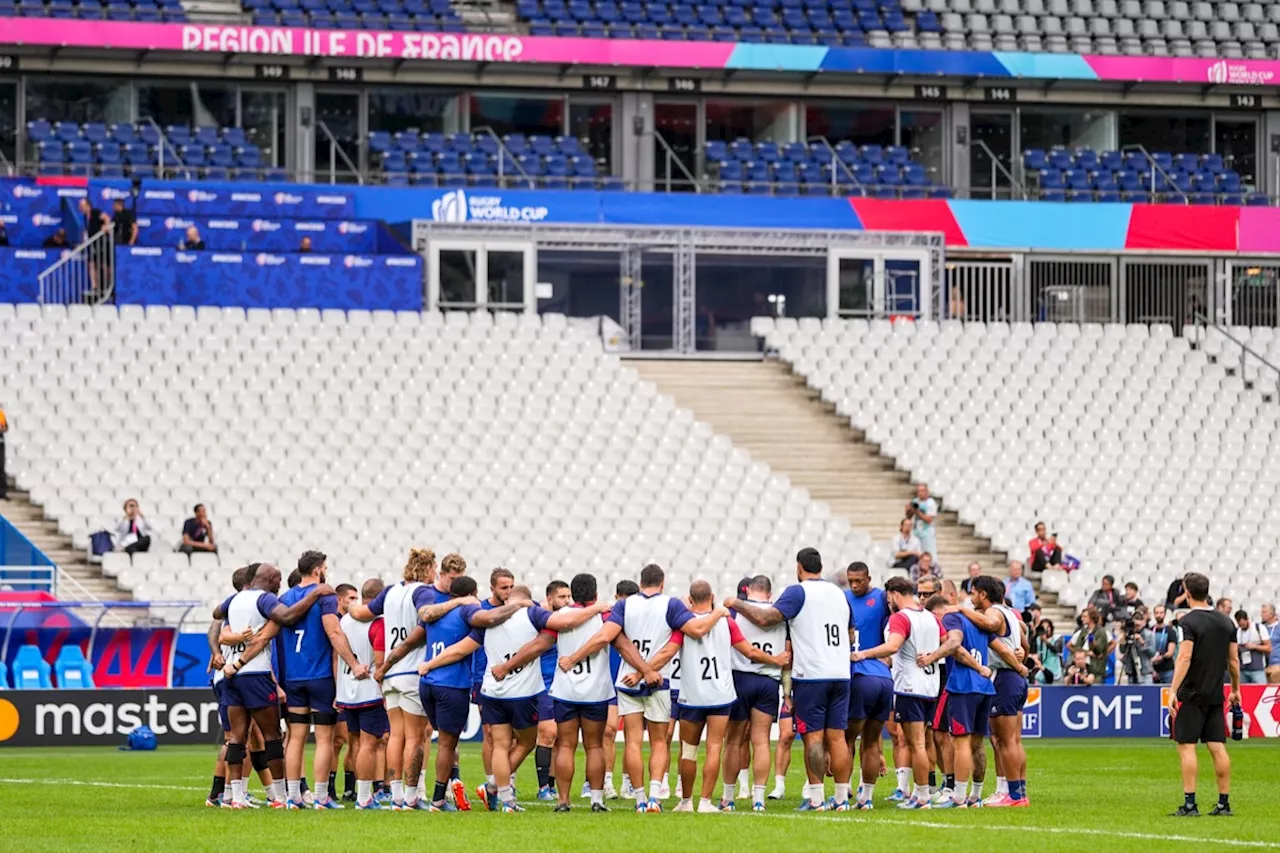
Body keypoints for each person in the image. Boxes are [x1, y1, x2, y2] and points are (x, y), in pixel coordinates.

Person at [561, 563, 723, 814]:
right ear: (663, 582)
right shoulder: (671, 605)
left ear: (641, 581)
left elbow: (607, 638)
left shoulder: (625, 605)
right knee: (659, 742)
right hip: (657, 680)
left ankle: (638, 798)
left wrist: (573, 658)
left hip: (628, 682)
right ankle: (654, 798)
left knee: (632, 742)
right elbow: (693, 633)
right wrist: (719, 612)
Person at [641, 580, 786, 814]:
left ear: (689, 600)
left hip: (691, 696)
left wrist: (643, 670)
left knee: (688, 750)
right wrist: (775, 660)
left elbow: (667, 652)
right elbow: (749, 651)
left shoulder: (683, 625)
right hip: (719, 695)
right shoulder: (726, 622)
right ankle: (706, 802)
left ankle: (686, 801)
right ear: (712, 597)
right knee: (714, 748)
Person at [728, 547, 854, 812]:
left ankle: (817, 799)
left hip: (812, 674)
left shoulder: (799, 592)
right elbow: (851, 633)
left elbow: (765, 618)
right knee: (838, 738)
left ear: (799, 567)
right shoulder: (839, 594)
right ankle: (842, 799)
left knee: (813, 738)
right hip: (841, 673)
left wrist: (735, 603)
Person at [212, 563, 332, 808]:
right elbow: (286, 617)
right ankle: (278, 796)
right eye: (278, 580)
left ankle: (235, 798)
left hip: (231, 675)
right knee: (272, 736)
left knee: (237, 737)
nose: (280, 586)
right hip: (255, 674)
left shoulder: (234, 600)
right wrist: (315, 594)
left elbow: (216, 613)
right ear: (269, 579)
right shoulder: (264, 599)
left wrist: (232, 632)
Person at [411, 573, 531, 812]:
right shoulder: (466, 612)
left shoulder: (436, 613)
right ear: (473, 594)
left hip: (428, 685)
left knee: (442, 741)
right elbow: (486, 620)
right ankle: (437, 800)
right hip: (451, 684)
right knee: (447, 744)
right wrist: (518, 604)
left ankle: (428, 792)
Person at [345, 548, 442, 811]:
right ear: (427, 568)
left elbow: (362, 614)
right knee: (415, 737)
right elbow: (426, 619)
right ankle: (411, 797)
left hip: (390, 676)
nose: (436, 573)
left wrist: (349, 605)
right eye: (434, 568)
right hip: (411, 671)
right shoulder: (424, 592)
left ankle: (396, 796)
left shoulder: (390, 591)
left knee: (396, 736)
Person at [513, 573, 617, 812]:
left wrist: (511, 663)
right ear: (595, 594)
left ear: (573, 593)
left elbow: (541, 643)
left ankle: (563, 801)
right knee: (594, 746)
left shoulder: (559, 616)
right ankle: (597, 800)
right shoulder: (604, 616)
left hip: (565, 689)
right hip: (596, 690)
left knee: (566, 746)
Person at [278, 551, 366, 810]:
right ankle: (320, 797)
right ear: (317, 570)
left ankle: (293, 796)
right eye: (325, 567)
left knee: (296, 737)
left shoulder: (285, 598)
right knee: (325, 738)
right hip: (319, 676)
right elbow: (334, 632)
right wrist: (353, 663)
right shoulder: (325, 596)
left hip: (292, 677)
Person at [850, 576, 943, 811]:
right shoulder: (930, 617)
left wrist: (863, 654)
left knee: (917, 744)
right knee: (920, 742)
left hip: (910, 687)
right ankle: (919, 794)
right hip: (931, 686)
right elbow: (949, 641)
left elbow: (892, 646)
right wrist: (933, 656)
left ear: (894, 594)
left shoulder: (901, 617)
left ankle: (922, 797)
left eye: (888, 596)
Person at [918, 575, 995, 809]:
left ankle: (958, 797)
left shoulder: (952, 618)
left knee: (960, 742)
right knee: (977, 744)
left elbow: (955, 646)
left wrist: (931, 656)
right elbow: (999, 644)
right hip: (984, 686)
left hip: (964, 685)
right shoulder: (979, 620)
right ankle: (976, 795)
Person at [1168, 572, 1239, 818]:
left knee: (1186, 746)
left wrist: (1172, 690)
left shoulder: (1187, 622)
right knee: (1217, 747)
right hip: (1216, 693)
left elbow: (1184, 657)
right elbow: (1234, 662)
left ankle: (1189, 804)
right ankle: (1224, 803)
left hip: (1192, 693)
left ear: (1187, 593)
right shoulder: (1226, 622)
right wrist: (1236, 690)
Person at [723, 574, 788, 812]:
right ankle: (758, 798)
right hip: (768, 682)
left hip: (740, 677)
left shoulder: (735, 612)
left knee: (732, 742)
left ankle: (728, 798)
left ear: (748, 590)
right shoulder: (780, 614)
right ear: (770, 593)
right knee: (761, 741)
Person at [969, 578, 1031, 807]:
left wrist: (961, 611)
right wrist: (1021, 654)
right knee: (1013, 740)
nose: (971, 598)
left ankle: (1013, 795)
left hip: (1004, 678)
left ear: (983, 594)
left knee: (1004, 741)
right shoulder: (1011, 614)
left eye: (974, 593)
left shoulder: (995, 612)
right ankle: (1019, 792)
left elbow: (991, 625)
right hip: (1015, 679)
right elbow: (1025, 645)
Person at [843, 561, 894, 808]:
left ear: (869, 578)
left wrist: (891, 654)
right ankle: (864, 797)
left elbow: (899, 626)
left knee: (846, 738)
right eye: (850, 580)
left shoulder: (883, 599)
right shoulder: (841, 598)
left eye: (859, 581)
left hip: (862, 675)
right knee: (871, 741)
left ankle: (844, 793)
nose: (854, 585)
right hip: (881, 678)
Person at [338, 577, 389, 809]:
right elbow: (380, 662)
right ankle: (364, 797)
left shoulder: (345, 620)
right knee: (371, 744)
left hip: (347, 690)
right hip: (369, 689)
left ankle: (360, 792)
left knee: (357, 743)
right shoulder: (378, 622)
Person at [471, 568, 514, 806]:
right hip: (484, 678)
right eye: (503, 587)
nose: (508, 592)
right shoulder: (481, 611)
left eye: (511, 587)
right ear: (493, 588)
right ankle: (492, 784)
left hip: (514, 678)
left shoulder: (517, 610)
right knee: (490, 734)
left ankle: (499, 783)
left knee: (516, 736)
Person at [535, 580, 572, 801]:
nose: (567, 601)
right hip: (543, 683)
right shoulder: (539, 619)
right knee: (547, 733)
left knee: (560, 736)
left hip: (563, 684)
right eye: (562, 597)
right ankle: (542, 788)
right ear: (549, 599)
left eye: (569, 597)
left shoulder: (568, 620)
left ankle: (550, 785)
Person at [1070, 606, 1111, 683]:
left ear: (1091, 618)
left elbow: (1099, 650)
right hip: (1083, 669)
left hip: (1096, 670)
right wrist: (1087, 653)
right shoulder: (1083, 631)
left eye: (1084, 616)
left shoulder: (1101, 632)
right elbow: (1077, 648)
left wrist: (1093, 645)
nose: (1082, 619)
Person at [1234, 610, 1270, 685]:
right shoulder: (1237, 631)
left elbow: (1268, 648)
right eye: (1240, 625)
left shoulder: (1258, 628)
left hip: (1257, 669)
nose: (1242, 626)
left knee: (1260, 691)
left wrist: (1255, 646)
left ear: (1247, 619)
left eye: (1243, 624)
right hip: (1242, 670)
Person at [905, 484, 938, 561]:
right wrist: (909, 510)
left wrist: (917, 512)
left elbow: (929, 519)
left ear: (927, 492)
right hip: (917, 531)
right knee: (917, 552)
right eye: (918, 491)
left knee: (929, 552)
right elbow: (908, 517)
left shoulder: (931, 503)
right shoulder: (915, 501)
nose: (920, 493)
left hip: (927, 532)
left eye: (922, 490)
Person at [1029, 618, 1063, 684]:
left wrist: (1046, 641)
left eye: (1047, 627)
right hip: (1043, 669)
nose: (1045, 629)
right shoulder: (1038, 639)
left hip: (1055, 669)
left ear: (1051, 628)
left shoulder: (1057, 638)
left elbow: (1057, 650)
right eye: (1043, 627)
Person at [1152, 605, 1178, 685]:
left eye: (1161, 613)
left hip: (1167, 669)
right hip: (1152, 669)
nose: (1159, 615)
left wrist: (1160, 658)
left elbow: (1170, 652)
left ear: (1165, 614)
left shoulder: (1170, 631)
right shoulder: (1150, 630)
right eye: (1157, 613)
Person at [1262, 603, 1280, 684]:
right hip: (1264, 665)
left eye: (1264, 612)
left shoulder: (1278, 627)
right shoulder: (1261, 628)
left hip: (1277, 664)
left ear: (1272, 614)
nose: (1262, 614)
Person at [0, 400, 7, 500]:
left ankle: (2, 492)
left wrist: (2, 428)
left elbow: (6, 428)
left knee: (1, 467)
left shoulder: (1, 414)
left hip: (0, 443)